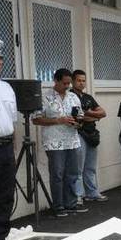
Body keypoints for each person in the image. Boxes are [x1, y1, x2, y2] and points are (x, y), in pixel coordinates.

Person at [32, 68, 87, 217]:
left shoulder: (73, 97)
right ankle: (58, 206)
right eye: (64, 83)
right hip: (54, 142)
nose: (67, 86)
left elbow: (81, 117)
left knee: (72, 173)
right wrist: (59, 120)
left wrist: (77, 122)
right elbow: (36, 119)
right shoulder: (45, 97)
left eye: (69, 83)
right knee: (57, 174)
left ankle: (71, 203)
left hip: (72, 140)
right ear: (55, 81)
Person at [70, 69, 107, 203]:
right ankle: (78, 196)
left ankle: (92, 193)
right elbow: (77, 117)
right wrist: (92, 115)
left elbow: (103, 113)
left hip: (92, 135)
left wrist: (89, 114)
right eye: (79, 80)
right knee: (78, 168)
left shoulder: (88, 97)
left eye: (83, 80)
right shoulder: (70, 97)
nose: (81, 83)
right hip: (78, 134)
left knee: (90, 167)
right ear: (73, 81)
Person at [0, 39, 18, 240]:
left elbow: (11, 122)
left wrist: (12, 149)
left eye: (0, 60)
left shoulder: (6, 88)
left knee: (4, 198)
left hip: (4, 148)